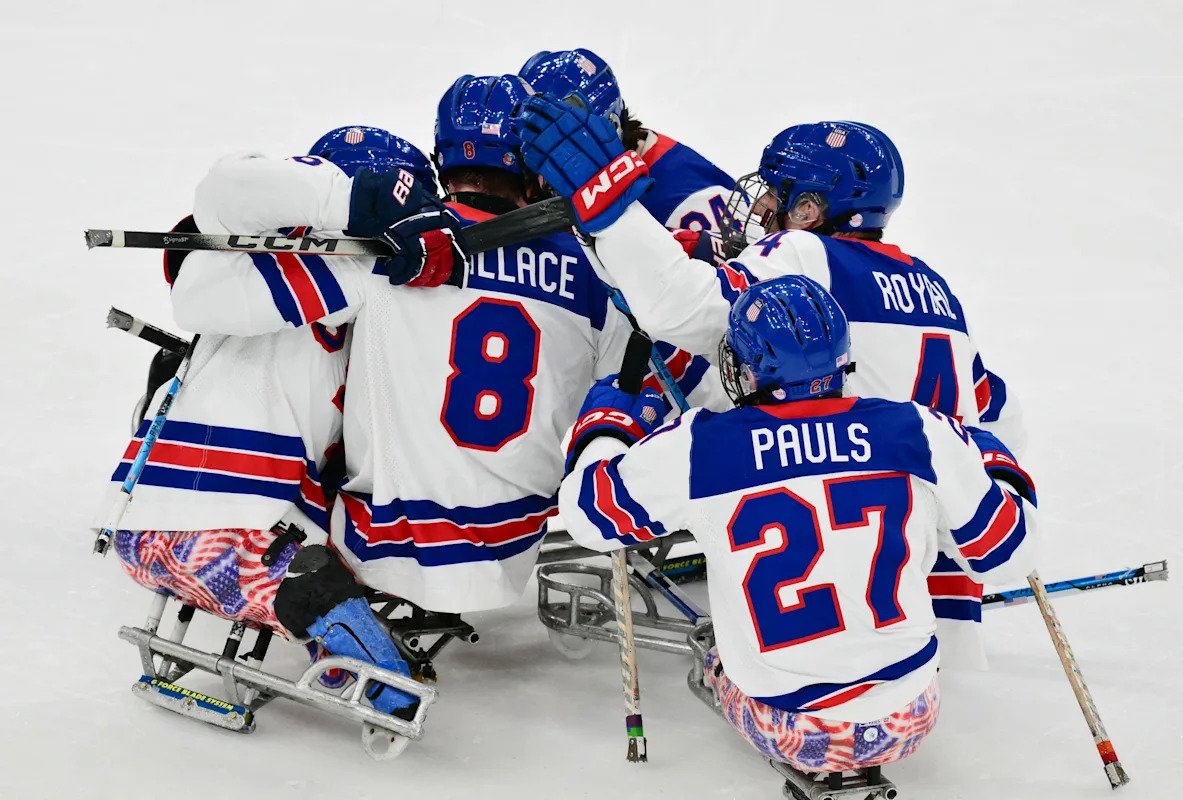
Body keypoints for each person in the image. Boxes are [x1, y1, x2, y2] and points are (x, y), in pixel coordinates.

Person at [514, 102, 1025, 662]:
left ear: (809, 210)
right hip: (934, 594)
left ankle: (679, 503)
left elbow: (682, 310)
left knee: (714, 380)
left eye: (776, 196)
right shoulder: (935, 287)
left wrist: (607, 207)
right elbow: (998, 414)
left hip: (825, 601)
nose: (759, 206)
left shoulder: (805, 254)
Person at [168, 74, 688, 619]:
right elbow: (641, 378)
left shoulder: (391, 250)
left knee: (317, 355)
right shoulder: (592, 267)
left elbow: (200, 303)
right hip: (515, 550)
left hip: (383, 550)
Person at [556, 276, 1039, 773]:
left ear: (747, 370)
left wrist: (609, 424)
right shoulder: (916, 427)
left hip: (788, 726)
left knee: (713, 644)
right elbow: (1009, 556)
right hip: (910, 713)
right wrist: (991, 460)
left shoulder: (702, 445)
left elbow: (588, 516)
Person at [96, 125, 438, 715]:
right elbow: (223, 209)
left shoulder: (352, 304)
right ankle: (345, 651)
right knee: (330, 589)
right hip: (208, 538)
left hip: (187, 526)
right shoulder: (320, 277)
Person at [519, 48, 736, 233]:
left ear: (610, 129)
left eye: (560, 150)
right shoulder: (623, 158)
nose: (542, 177)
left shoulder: (685, 205)